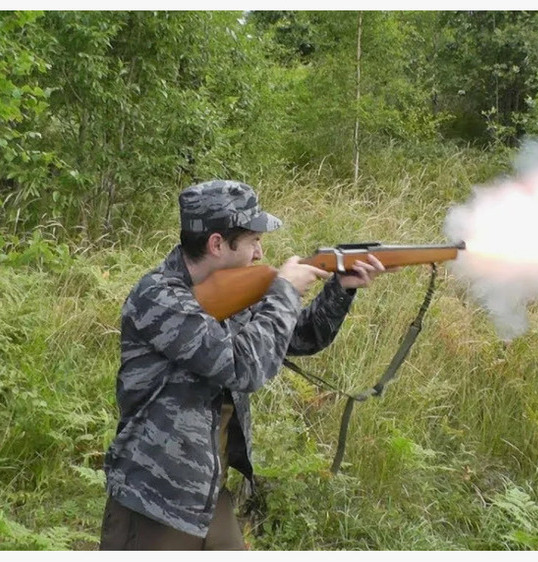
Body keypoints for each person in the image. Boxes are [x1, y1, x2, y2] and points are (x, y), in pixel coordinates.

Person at [99, 179, 390, 550]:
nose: (260, 252)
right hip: (155, 496)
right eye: (253, 240)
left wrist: (341, 287)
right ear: (217, 244)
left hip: (207, 491)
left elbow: (297, 337)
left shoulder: (230, 288)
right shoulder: (159, 298)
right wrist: (284, 290)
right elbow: (243, 367)